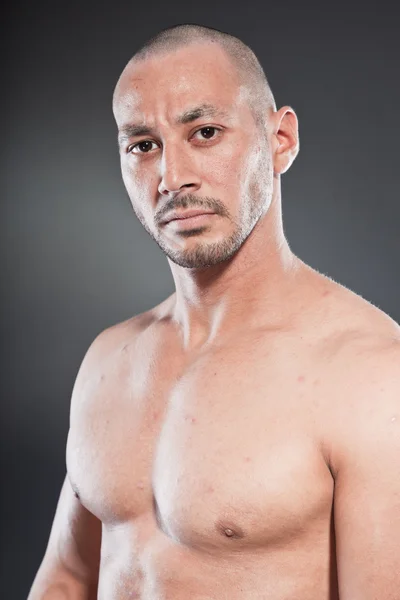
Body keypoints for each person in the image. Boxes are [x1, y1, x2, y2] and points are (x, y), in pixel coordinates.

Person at [29, 23, 400, 600]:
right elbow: (68, 578)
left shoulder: (370, 374)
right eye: (143, 145)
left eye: (204, 132)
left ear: (280, 140)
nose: (172, 178)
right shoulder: (109, 359)